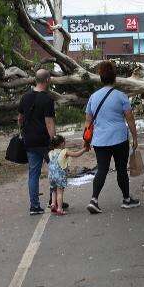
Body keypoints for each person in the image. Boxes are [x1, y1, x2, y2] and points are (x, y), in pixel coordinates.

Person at [84, 61, 140, 214]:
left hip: (100, 140)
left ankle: (94, 200)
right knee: (121, 169)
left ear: (101, 78)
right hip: (119, 138)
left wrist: (86, 141)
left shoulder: (93, 97)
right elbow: (130, 118)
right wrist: (135, 138)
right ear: (114, 78)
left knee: (102, 169)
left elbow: (88, 121)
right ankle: (127, 199)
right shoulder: (121, 96)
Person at [17, 69, 56, 215]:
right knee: (54, 170)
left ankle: (34, 206)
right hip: (44, 141)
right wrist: (55, 141)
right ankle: (55, 201)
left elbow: (20, 118)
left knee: (33, 173)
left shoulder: (25, 97)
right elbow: (49, 122)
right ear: (47, 80)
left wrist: (23, 131)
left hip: (30, 141)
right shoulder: (47, 99)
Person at [47, 135, 86, 215]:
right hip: (60, 176)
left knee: (54, 191)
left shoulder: (50, 153)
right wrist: (84, 149)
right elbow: (76, 154)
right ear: (62, 143)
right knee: (60, 192)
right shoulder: (64, 151)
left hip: (51, 176)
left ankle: (53, 204)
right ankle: (60, 209)